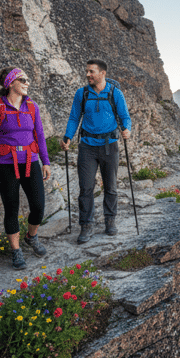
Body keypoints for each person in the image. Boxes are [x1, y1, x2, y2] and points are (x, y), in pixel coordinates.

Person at [0, 67, 51, 269]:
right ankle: (16, 251)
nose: (27, 82)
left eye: (28, 79)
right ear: (10, 83)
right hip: (5, 164)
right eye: (23, 79)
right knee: (11, 208)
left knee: (38, 206)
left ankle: (31, 237)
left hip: (31, 161)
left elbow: (39, 134)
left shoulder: (32, 107)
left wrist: (45, 161)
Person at [61, 60, 131, 243]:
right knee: (86, 187)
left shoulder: (115, 93)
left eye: (91, 71)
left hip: (110, 146)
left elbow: (124, 116)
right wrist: (67, 136)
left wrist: (127, 129)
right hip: (87, 147)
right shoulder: (82, 93)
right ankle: (86, 225)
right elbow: (74, 117)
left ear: (102, 73)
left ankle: (110, 221)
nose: (88, 75)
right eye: (87, 71)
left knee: (111, 187)